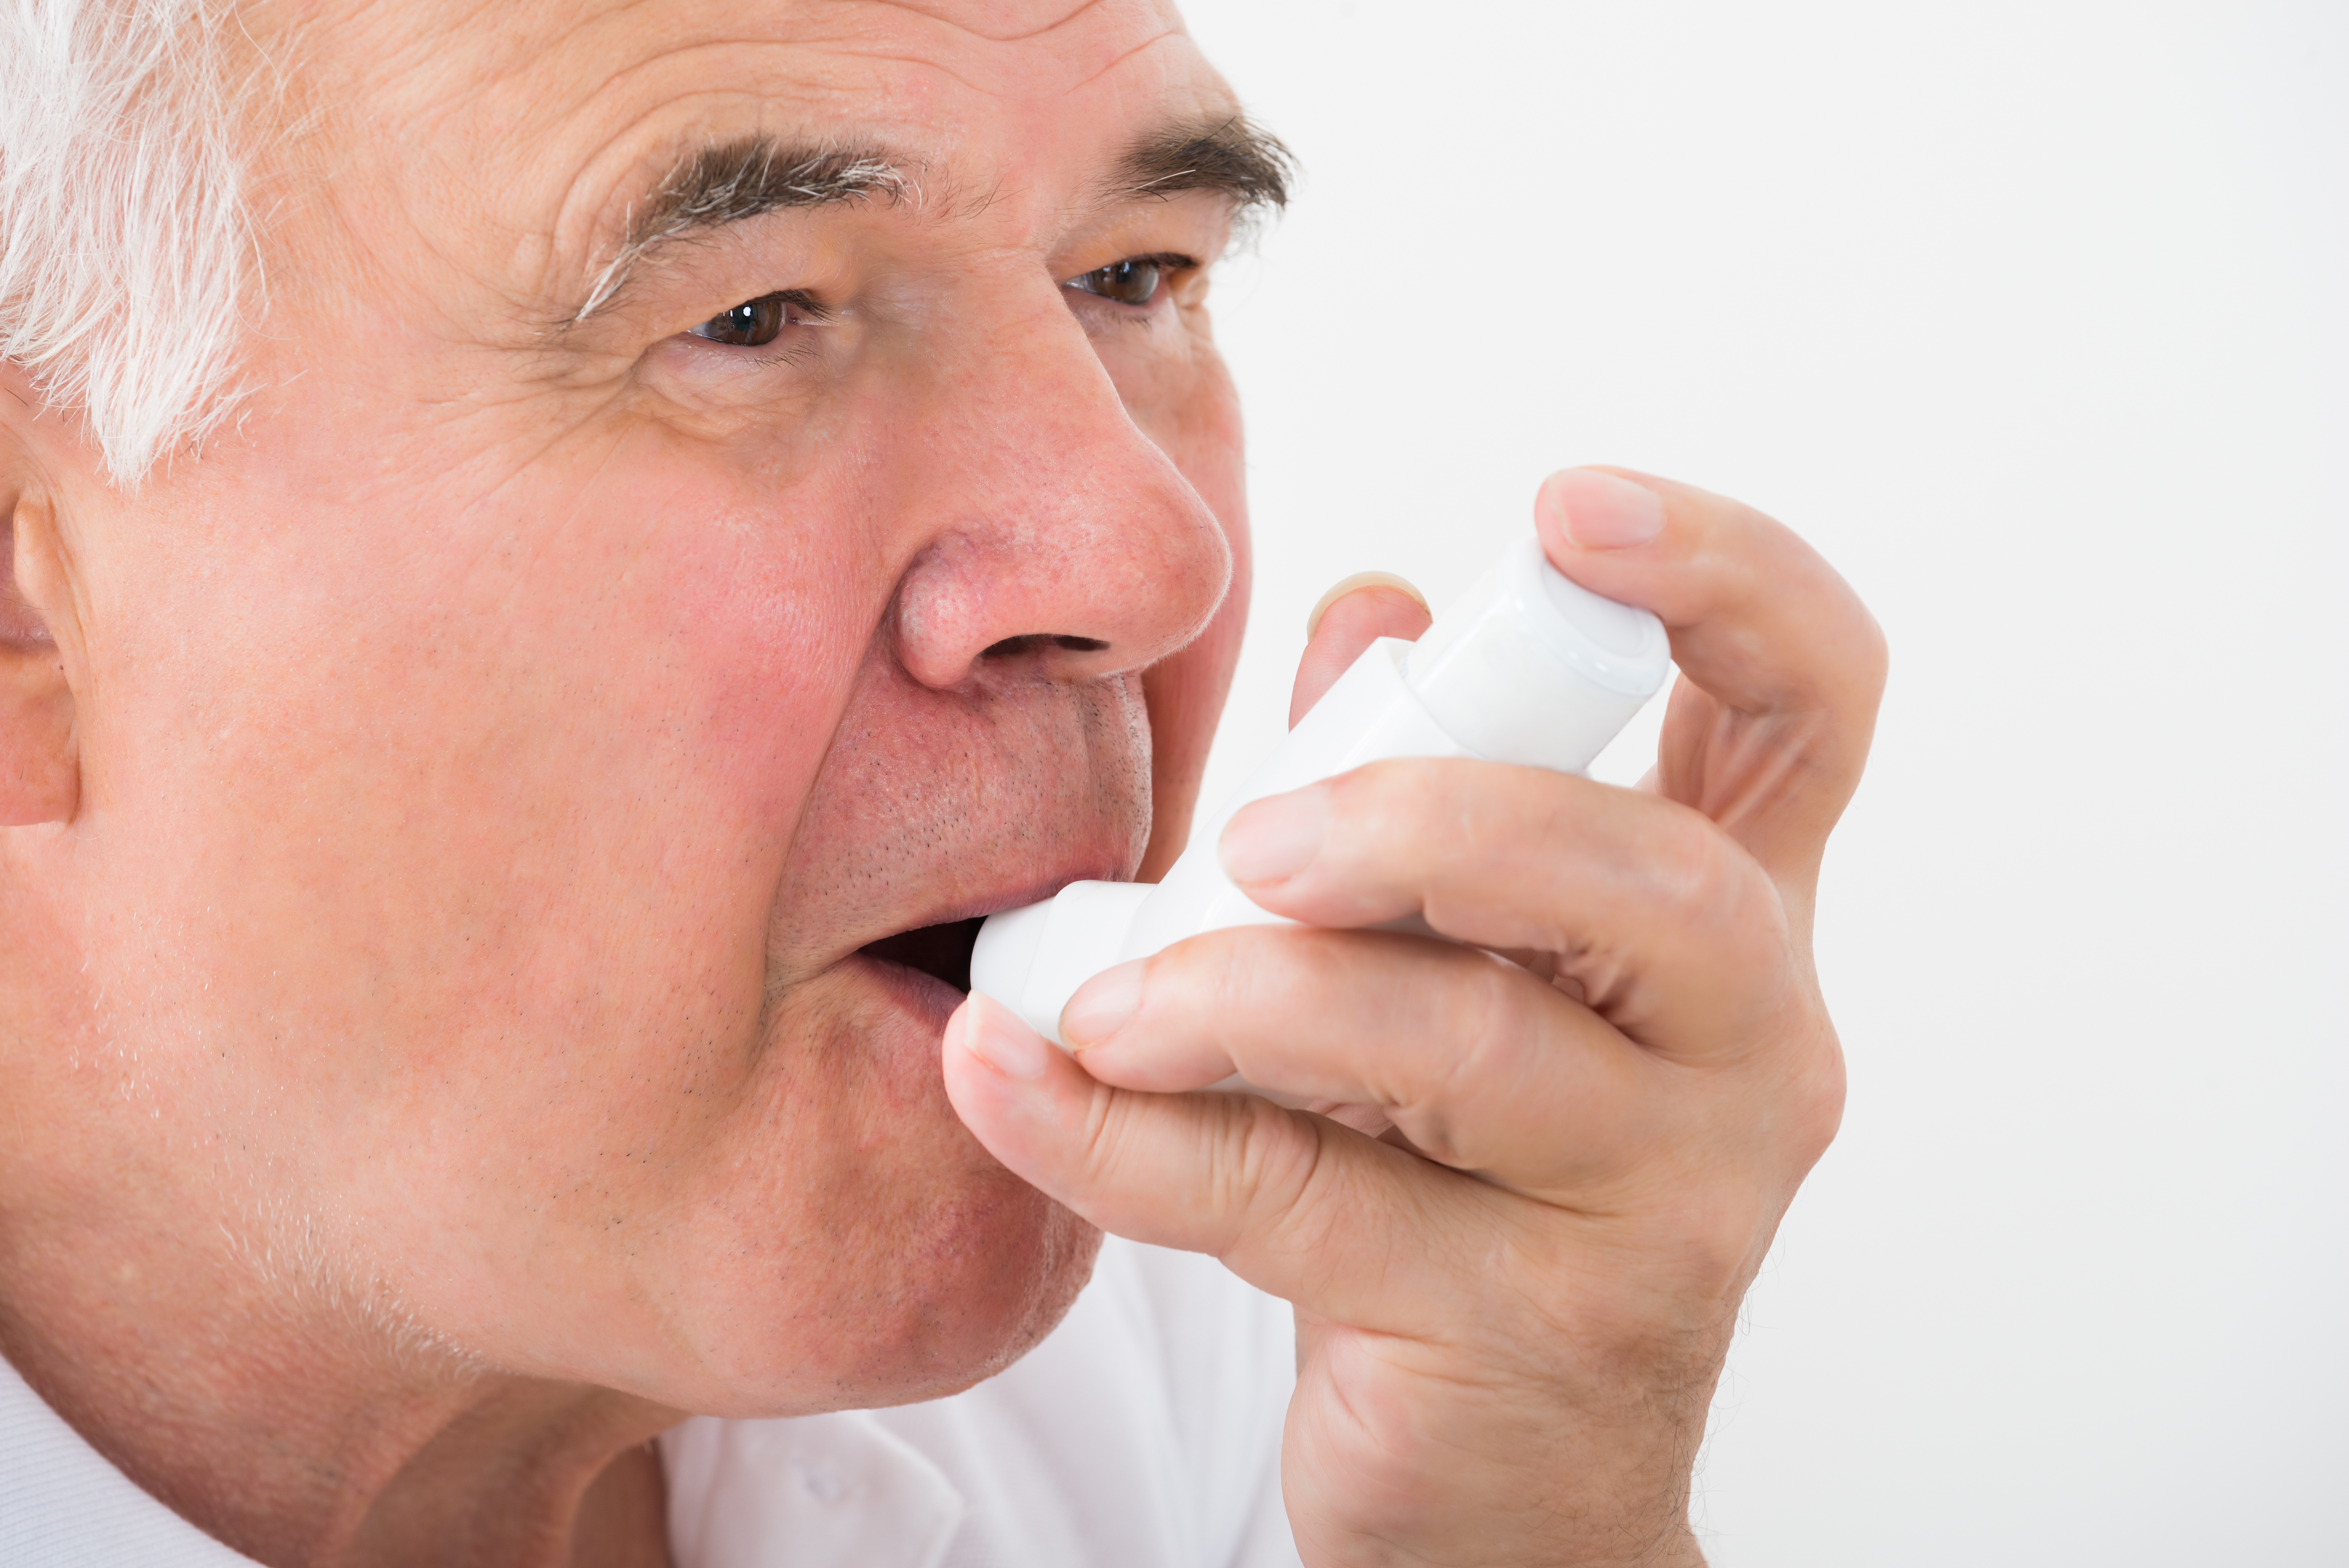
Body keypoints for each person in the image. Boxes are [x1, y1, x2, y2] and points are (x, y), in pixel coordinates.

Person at [0, 0, 1885, 1563]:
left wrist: (1542, 1521)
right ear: (32, 612)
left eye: (1134, 275)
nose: (1150, 565)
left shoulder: (1270, 1348)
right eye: (748, 319)